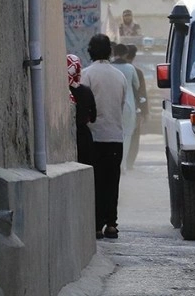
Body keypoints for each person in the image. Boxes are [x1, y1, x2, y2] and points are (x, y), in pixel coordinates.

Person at [82, 34, 129, 239]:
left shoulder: (87, 75)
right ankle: (111, 224)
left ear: (90, 51)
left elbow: (84, 107)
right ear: (109, 51)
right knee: (112, 182)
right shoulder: (120, 76)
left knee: (96, 182)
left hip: (94, 137)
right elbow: (121, 105)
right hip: (115, 137)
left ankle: (96, 225)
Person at [111, 44, 140, 172]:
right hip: (128, 106)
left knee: (113, 135)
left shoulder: (110, 67)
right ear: (126, 54)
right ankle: (122, 165)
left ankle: (114, 163)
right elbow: (137, 85)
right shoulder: (130, 68)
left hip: (112, 104)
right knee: (127, 135)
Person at [67, 54, 97, 165]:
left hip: (64, 139)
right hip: (83, 137)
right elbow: (93, 117)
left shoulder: (59, 89)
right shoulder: (86, 91)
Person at [125, 44, 148, 170]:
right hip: (134, 110)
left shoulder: (116, 68)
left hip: (119, 110)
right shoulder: (137, 72)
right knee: (134, 137)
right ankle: (129, 164)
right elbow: (142, 93)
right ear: (133, 57)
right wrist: (144, 112)